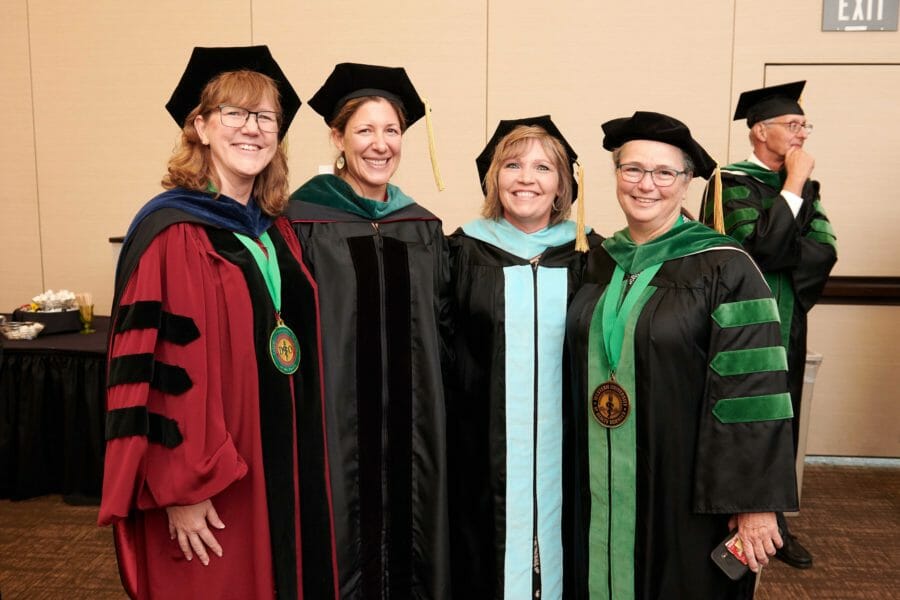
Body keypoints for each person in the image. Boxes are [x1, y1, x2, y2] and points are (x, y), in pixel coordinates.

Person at [98, 46, 337, 599]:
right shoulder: (174, 234)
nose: (251, 129)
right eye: (233, 113)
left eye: (265, 117)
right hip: (213, 485)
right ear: (200, 126)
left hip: (279, 465)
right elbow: (160, 370)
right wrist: (182, 487)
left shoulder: (276, 233)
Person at [566, 111, 799, 599]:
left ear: (688, 181)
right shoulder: (598, 261)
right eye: (632, 169)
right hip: (601, 472)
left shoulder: (727, 267)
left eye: (664, 173)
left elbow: (753, 393)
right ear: (616, 176)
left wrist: (755, 501)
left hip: (687, 484)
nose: (646, 184)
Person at [285, 63, 450, 599]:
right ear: (337, 136)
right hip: (334, 426)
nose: (381, 145)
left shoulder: (422, 228)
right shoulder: (301, 224)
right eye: (365, 130)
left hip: (414, 430)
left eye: (392, 131)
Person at [446, 116, 602, 599]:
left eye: (543, 167)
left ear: (562, 184)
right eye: (512, 165)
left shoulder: (592, 256)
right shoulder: (459, 252)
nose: (526, 178)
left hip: (570, 446)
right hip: (482, 448)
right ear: (494, 178)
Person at [700, 81, 837, 570]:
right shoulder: (727, 182)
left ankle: (774, 523)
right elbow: (753, 252)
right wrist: (793, 187)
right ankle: (727, 516)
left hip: (787, 323)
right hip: (736, 325)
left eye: (804, 125)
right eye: (792, 125)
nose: (801, 134)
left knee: (784, 418)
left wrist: (783, 237)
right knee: (739, 415)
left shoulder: (807, 189)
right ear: (760, 131)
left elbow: (823, 250)